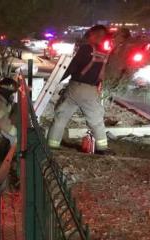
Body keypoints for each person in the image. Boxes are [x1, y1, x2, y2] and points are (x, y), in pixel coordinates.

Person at [47, 25, 113, 155]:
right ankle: (102, 149)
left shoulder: (86, 49)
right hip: (91, 90)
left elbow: (71, 68)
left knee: (61, 116)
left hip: (75, 88)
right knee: (96, 121)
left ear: (93, 35)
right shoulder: (104, 53)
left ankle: (52, 145)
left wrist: (55, 82)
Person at [104, 28, 132, 100]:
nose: (114, 36)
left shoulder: (124, 48)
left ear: (122, 38)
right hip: (110, 77)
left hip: (114, 77)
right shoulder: (116, 46)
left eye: (117, 35)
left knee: (108, 94)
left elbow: (126, 66)